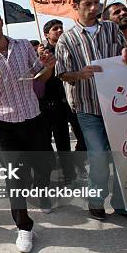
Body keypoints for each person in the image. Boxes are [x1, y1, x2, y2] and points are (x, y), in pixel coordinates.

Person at [55, 0, 127, 225]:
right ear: (75, 6)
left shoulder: (111, 29)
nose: (94, 8)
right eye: (88, 4)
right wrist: (79, 74)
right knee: (98, 159)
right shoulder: (67, 39)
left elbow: (124, 53)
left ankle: (125, 205)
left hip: (119, 106)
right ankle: (96, 202)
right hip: (88, 109)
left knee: (124, 157)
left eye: (97, 3)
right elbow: (63, 74)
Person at [0, 5, 56, 253]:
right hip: (4, 125)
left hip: (33, 117)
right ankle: (23, 226)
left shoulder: (22, 45)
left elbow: (40, 77)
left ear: (1, 21)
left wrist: (48, 65)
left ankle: (42, 192)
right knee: (15, 178)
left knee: (44, 164)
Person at [41, 19, 88, 184]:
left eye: (61, 28)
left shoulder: (69, 48)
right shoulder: (43, 54)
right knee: (62, 142)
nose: (60, 30)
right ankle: (69, 175)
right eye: (55, 29)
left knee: (84, 137)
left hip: (74, 100)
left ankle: (77, 160)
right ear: (47, 34)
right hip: (54, 104)